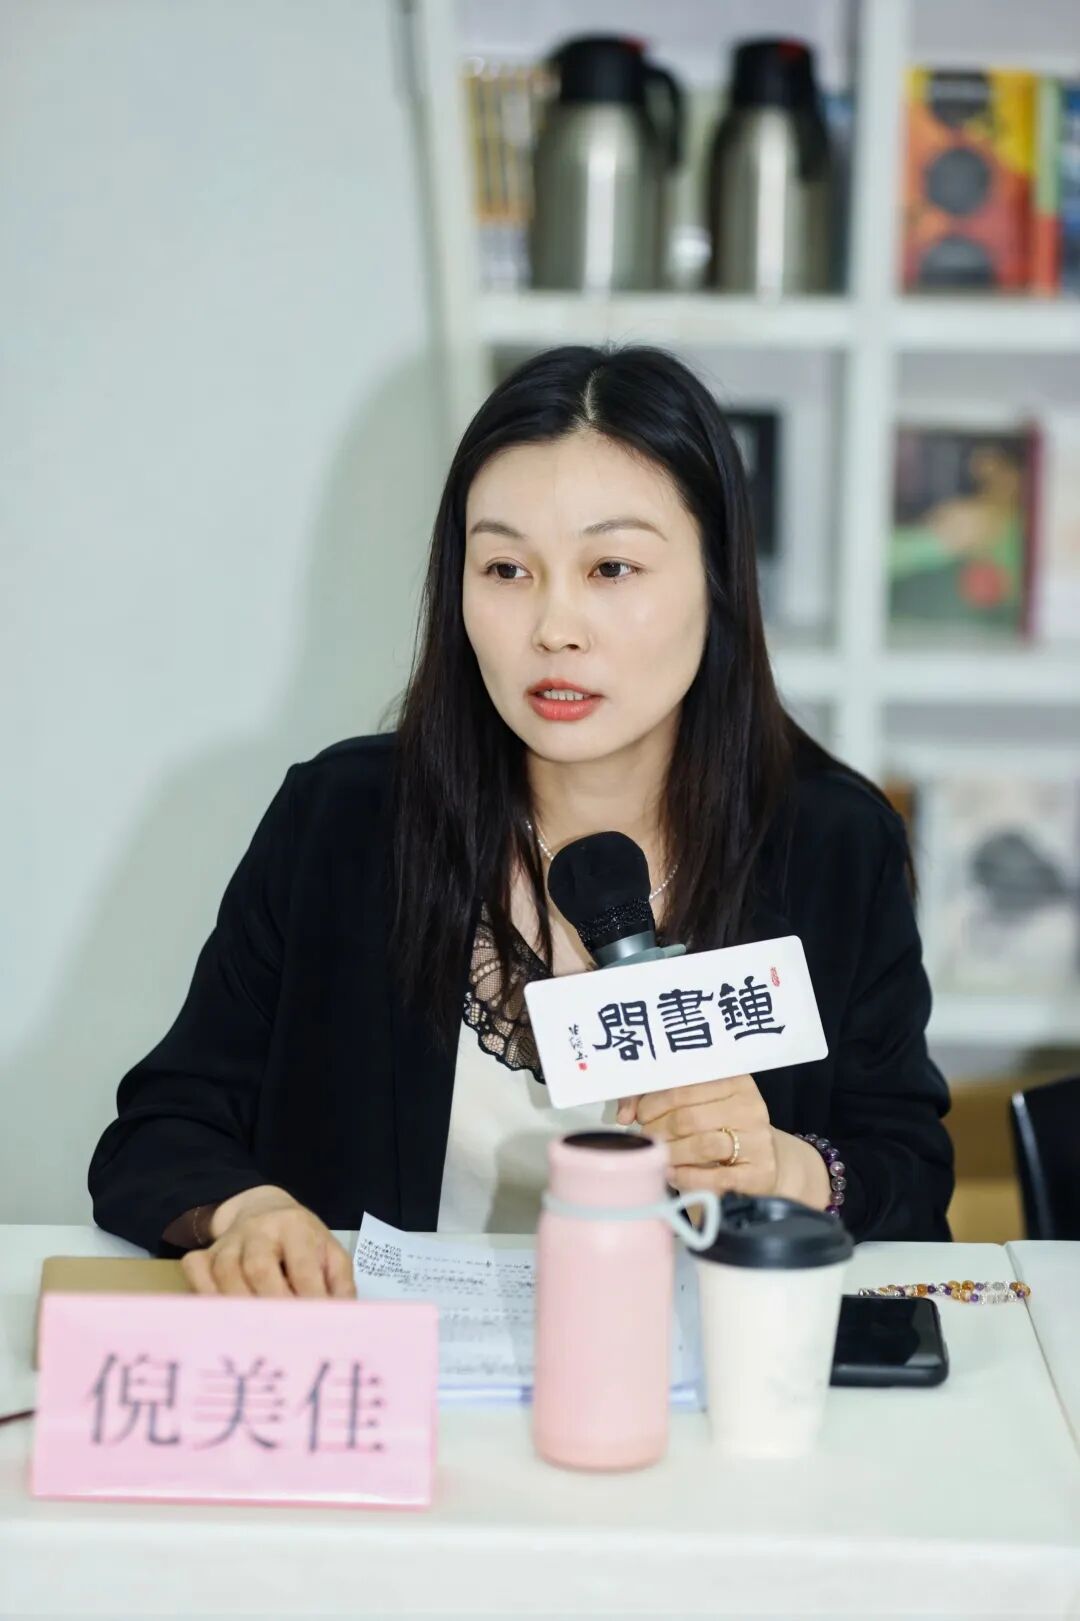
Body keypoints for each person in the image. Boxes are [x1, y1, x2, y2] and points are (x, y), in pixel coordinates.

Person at [88, 344, 955, 1298]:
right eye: (505, 568)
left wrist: (790, 1169)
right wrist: (249, 1213)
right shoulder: (343, 822)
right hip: (402, 1372)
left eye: (612, 567)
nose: (554, 627)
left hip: (703, 1375)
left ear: (717, 579)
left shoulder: (832, 844)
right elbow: (161, 1129)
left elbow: (910, 1170)